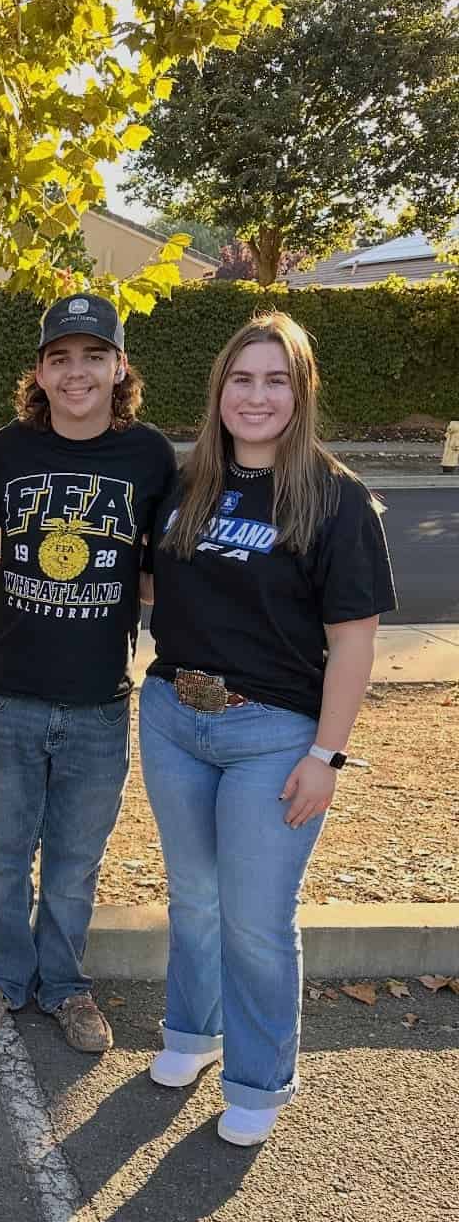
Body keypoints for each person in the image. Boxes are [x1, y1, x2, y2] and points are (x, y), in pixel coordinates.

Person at [139, 311, 394, 1146]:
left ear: (301, 392)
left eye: (274, 380)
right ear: (218, 391)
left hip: (273, 734)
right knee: (195, 898)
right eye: (241, 380)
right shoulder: (188, 483)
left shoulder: (336, 498)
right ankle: (192, 1034)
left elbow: (354, 642)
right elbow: (156, 587)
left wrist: (327, 753)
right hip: (175, 716)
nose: (256, 396)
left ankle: (257, 1078)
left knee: (255, 913)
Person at [0, 294, 177, 1052]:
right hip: (8, 691)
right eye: (59, 358)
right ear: (39, 373)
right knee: (4, 856)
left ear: (119, 367)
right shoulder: (6, 452)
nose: (76, 371)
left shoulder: (150, 457)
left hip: (99, 699)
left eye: (92, 356)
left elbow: (157, 572)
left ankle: (66, 985)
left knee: (76, 863)